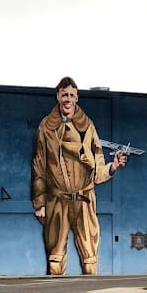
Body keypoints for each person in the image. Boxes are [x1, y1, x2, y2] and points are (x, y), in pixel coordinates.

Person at [31, 76, 127, 275]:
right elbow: (39, 165)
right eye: (64, 95)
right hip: (57, 198)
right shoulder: (46, 127)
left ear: (77, 98)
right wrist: (39, 202)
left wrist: (113, 167)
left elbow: (98, 165)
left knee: (90, 258)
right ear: (58, 96)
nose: (68, 99)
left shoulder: (88, 127)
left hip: (84, 199)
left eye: (72, 95)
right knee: (55, 258)